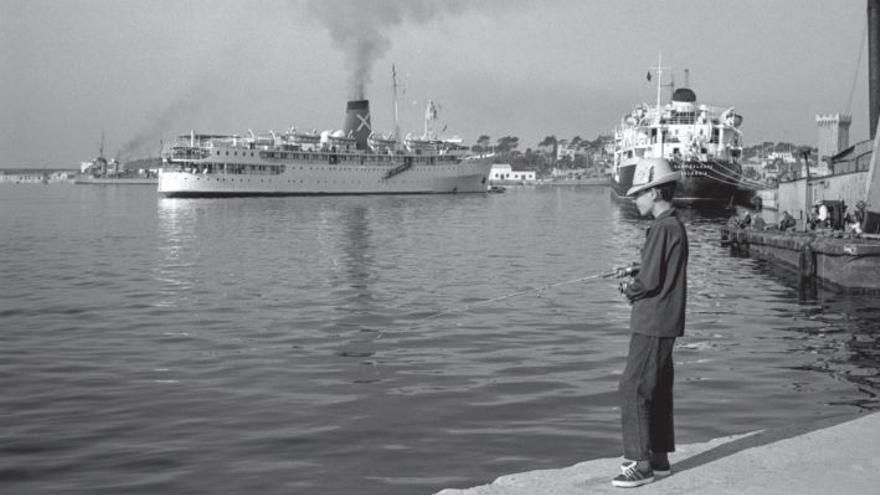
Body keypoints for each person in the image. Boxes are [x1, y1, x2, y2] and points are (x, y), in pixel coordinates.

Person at [612, 157, 689, 488]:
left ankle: (639, 463)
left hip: (652, 321)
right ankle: (658, 458)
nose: (635, 198)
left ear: (656, 192)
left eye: (640, 192)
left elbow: (651, 280)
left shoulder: (660, 228)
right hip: (666, 320)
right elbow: (656, 268)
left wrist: (630, 288)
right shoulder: (674, 226)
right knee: (656, 389)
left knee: (633, 387)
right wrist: (636, 268)